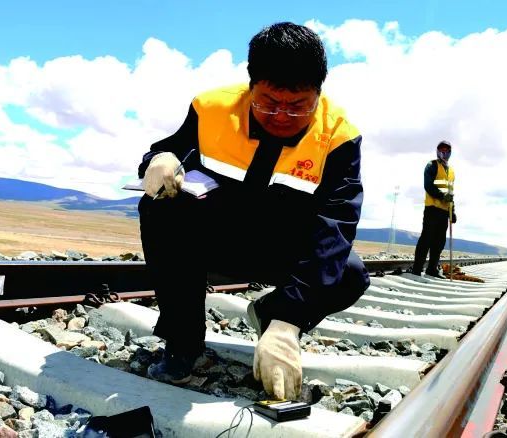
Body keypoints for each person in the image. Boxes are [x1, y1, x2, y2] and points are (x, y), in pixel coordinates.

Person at [136, 22, 370, 400]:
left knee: (350, 274)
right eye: (268, 102)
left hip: (280, 250)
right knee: (159, 207)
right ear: (250, 86)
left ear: (318, 93)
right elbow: (171, 150)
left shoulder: (340, 138)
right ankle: (183, 342)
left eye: (298, 106)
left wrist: (289, 320)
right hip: (214, 240)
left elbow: (336, 226)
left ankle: (271, 314)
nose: (281, 116)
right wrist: (158, 159)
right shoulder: (211, 108)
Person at [411, 140, 456, 278]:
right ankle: (417, 269)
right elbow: (428, 186)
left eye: (446, 150)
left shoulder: (451, 172)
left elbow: (451, 193)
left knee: (439, 242)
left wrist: (452, 211)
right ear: (437, 151)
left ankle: (432, 269)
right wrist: (442, 196)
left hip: (444, 212)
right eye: (441, 149)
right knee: (426, 239)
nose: (444, 152)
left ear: (450, 152)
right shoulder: (431, 166)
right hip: (432, 209)